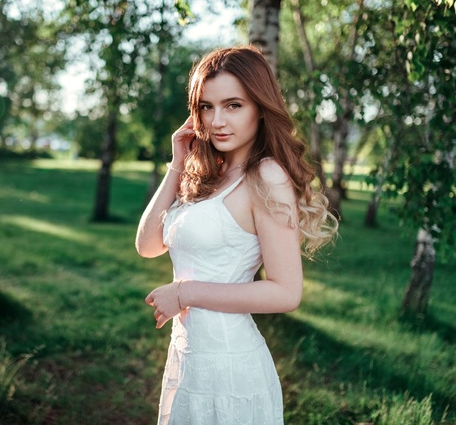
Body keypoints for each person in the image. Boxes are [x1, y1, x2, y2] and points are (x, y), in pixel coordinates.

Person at [135, 45, 338, 425]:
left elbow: (286, 291)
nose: (217, 121)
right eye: (207, 107)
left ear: (260, 107)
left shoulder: (267, 177)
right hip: (190, 357)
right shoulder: (211, 175)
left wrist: (184, 292)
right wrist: (177, 165)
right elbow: (147, 245)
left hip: (230, 367)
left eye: (233, 105)